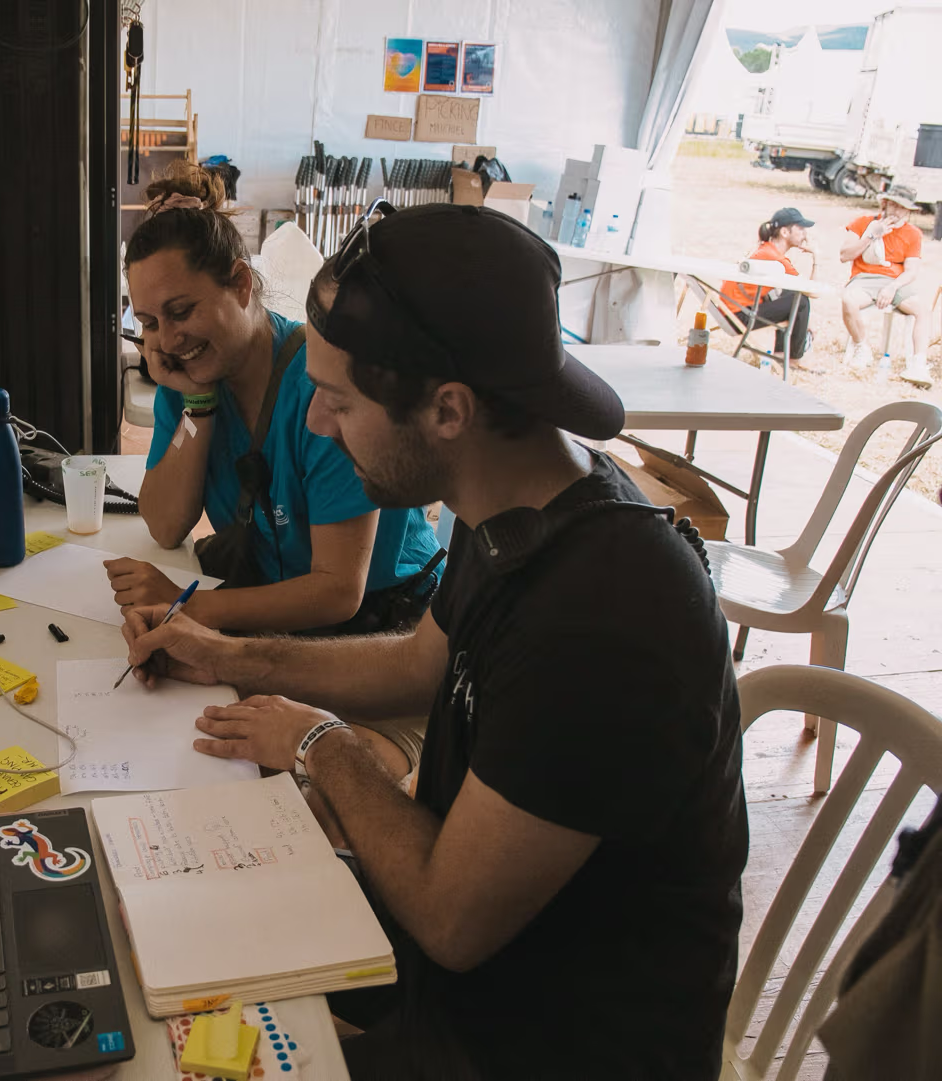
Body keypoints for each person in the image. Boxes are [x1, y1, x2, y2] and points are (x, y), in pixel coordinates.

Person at [120, 203, 749, 1080]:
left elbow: (451, 919)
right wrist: (230, 657)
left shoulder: (605, 618)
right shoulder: (514, 506)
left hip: (538, 1040)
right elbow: (422, 662)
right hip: (480, 978)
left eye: (340, 401)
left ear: (448, 408)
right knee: (155, 929)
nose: (317, 424)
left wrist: (320, 743)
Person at [108, 163, 442, 640]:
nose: (168, 340)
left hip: (387, 620)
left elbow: (338, 591)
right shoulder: (188, 382)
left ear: (241, 284)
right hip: (279, 603)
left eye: (181, 311)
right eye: (149, 323)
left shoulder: (321, 386)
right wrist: (198, 404)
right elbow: (164, 525)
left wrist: (186, 605)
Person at [840, 185, 931, 387]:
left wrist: (892, 287)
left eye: (902, 208)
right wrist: (871, 235)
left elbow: (911, 270)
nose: (897, 211)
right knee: (848, 300)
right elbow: (844, 255)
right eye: (894, 205)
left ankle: (919, 363)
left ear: (909, 211)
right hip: (864, 278)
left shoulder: (913, 233)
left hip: (895, 281)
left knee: (923, 310)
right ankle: (861, 347)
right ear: (885, 204)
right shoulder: (863, 222)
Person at [719, 206, 815, 362]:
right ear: (785, 232)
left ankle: (781, 353)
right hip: (737, 317)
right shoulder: (775, 258)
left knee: (790, 294)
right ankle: (794, 358)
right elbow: (812, 291)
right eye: (800, 228)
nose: (805, 234)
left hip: (729, 312)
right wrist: (816, 257)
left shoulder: (764, 249)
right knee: (801, 301)